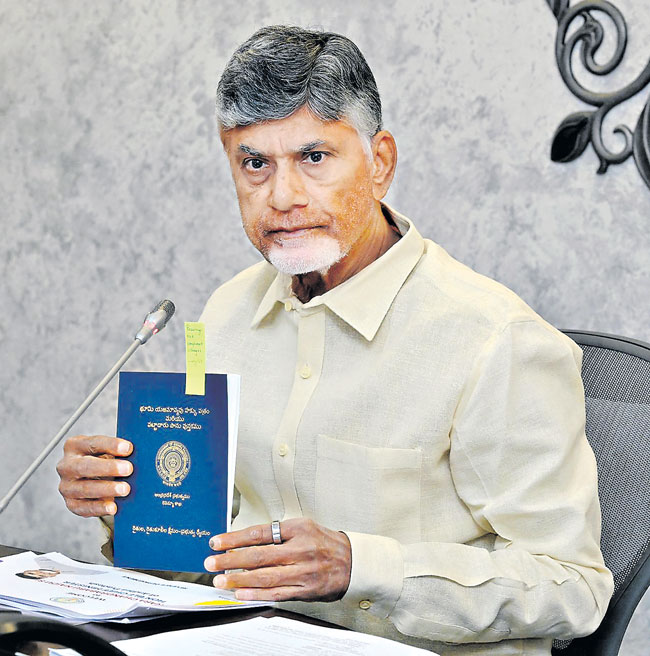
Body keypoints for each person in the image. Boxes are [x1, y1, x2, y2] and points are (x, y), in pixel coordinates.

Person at [56, 25, 614, 655]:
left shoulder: (496, 339)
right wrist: (129, 504)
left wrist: (360, 567)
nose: (283, 197)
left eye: (314, 158)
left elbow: (573, 589)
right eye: (254, 163)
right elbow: (208, 561)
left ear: (380, 163)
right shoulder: (226, 314)